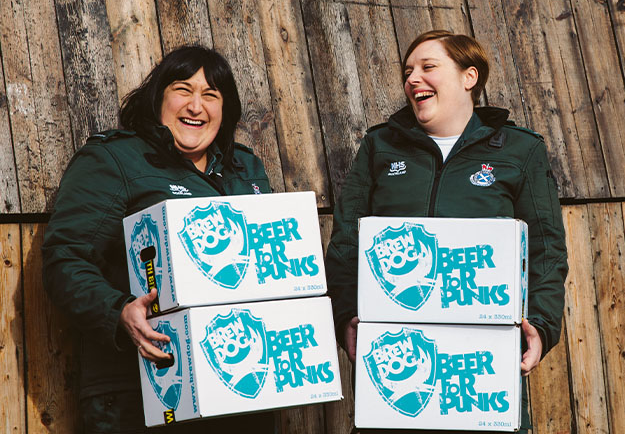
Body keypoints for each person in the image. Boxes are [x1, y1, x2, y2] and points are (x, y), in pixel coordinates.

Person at [326, 31, 568, 433]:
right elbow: (347, 244)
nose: (413, 78)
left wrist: (541, 326)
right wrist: (346, 316)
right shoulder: (378, 147)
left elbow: (546, 251)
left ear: (469, 77)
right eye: (408, 71)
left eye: (428, 67)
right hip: (396, 370)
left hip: (480, 369)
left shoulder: (520, 151)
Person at [42, 46, 275, 434]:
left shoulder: (246, 168)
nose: (196, 106)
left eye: (211, 95)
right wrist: (118, 312)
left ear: (225, 109)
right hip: (141, 390)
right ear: (158, 98)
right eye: (183, 90)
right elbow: (65, 259)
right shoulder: (115, 159)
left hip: (242, 393)